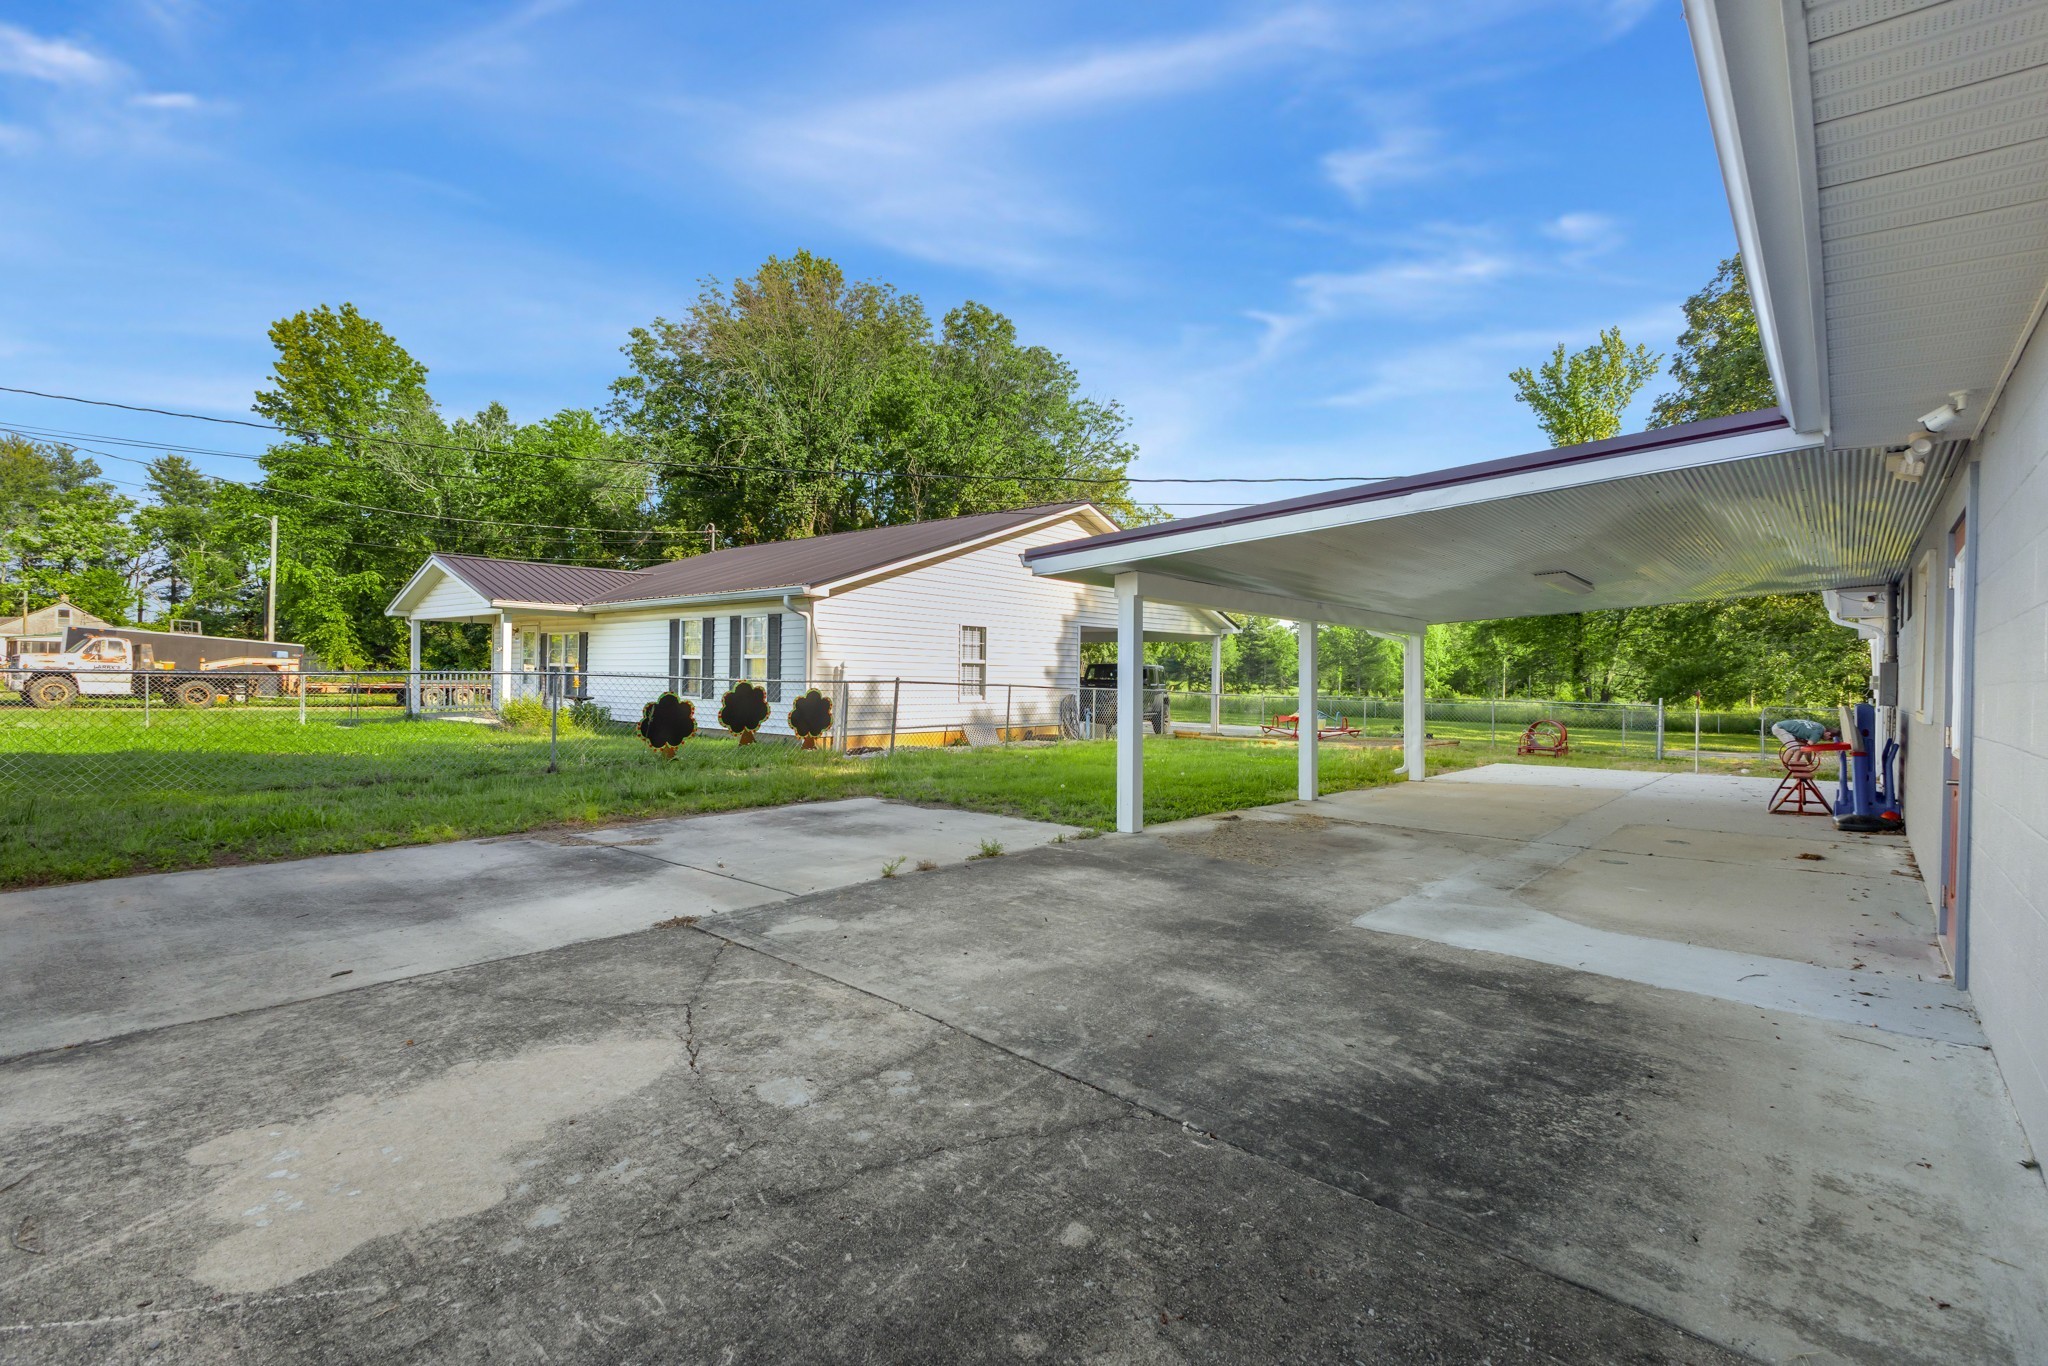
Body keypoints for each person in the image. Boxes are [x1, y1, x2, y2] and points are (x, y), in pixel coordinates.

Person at [1770, 716, 1835, 748]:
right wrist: (1817, 751)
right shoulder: (1818, 732)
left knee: (1801, 747)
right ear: (1828, 733)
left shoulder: (1819, 726)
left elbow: (1807, 747)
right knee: (1794, 748)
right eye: (1829, 739)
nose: (1826, 740)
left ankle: (1796, 763)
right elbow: (1809, 745)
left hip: (1782, 726)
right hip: (1780, 728)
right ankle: (1787, 765)